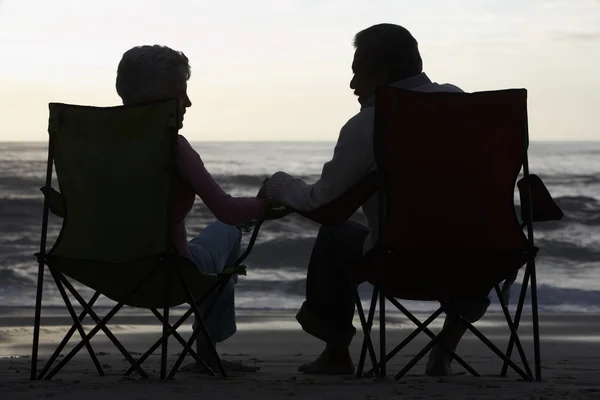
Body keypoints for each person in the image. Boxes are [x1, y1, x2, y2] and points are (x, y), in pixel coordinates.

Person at [260, 24, 491, 376]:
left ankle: (336, 352)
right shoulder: (464, 104)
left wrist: (279, 187)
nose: (352, 85)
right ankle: (444, 349)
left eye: (356, 74)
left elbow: (326, 206)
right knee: (473, 236)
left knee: (336, 236)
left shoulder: (372, 122)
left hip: (402, 260)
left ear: (380, 74)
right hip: (483, 260)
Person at [116, 45, 269, 372]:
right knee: (227, 232)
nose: (187, 103)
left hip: (105, 269)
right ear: (157, 96)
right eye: (180, 93)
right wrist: (269, 204)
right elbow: (226, 211)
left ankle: (206, 352)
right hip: (168, 272)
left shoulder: (97, 146)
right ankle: (206, 351)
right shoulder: (172, 146)